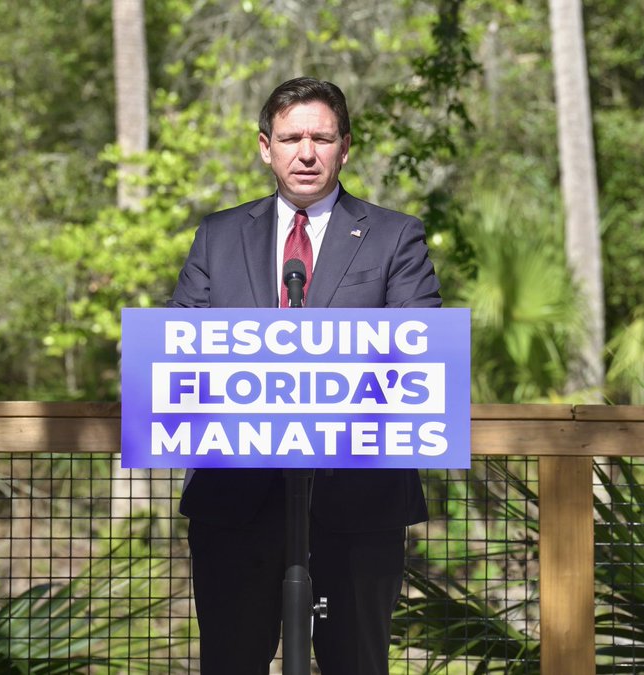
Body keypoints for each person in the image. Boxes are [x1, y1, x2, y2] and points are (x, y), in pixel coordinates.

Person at [167, 76, 442, 674]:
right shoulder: (217, 237)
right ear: (265, 147)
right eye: (291, 138)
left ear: (347, 146)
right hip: (236, 501)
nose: (306, 152)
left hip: (358, 503)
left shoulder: (396, 237)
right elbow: (176, 352)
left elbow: (416, 351)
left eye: (321, 137)